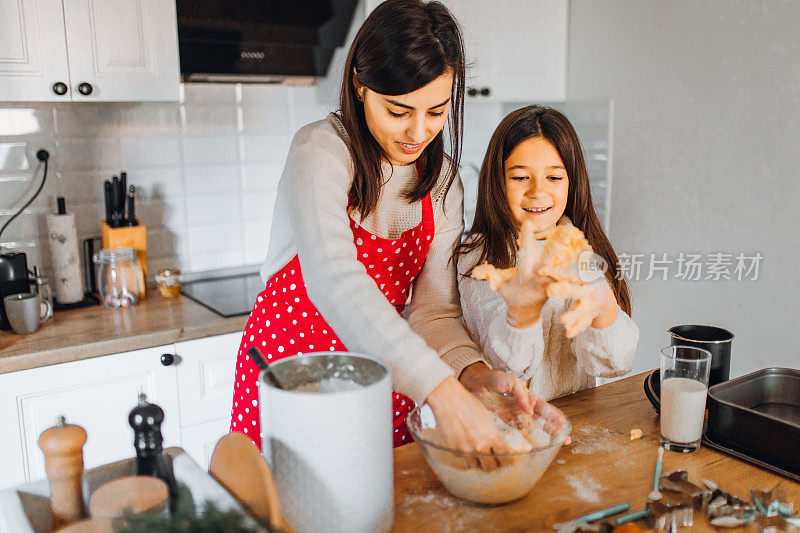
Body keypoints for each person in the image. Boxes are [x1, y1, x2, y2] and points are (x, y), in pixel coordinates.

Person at [230, 0, 547, 453]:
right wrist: (442, 390)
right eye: (398, 112)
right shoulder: (319, 151)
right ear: (360, 85)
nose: (418, 132)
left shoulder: (441, 183)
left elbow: (432, 312)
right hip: (294, 384)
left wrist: (470, 373)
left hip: (391, 387)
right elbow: (336, 281)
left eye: (436, 112)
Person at [454, 106, 639, 401]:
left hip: (575, 421)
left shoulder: (584, 252)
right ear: (497, 183)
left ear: (573, 182)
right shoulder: (480, 258)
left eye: (554, 178)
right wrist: (522, 312)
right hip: (503, 427)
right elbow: (512, 365)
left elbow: (613, 363)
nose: (538, 191)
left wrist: (598, 295)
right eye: (520, 178)